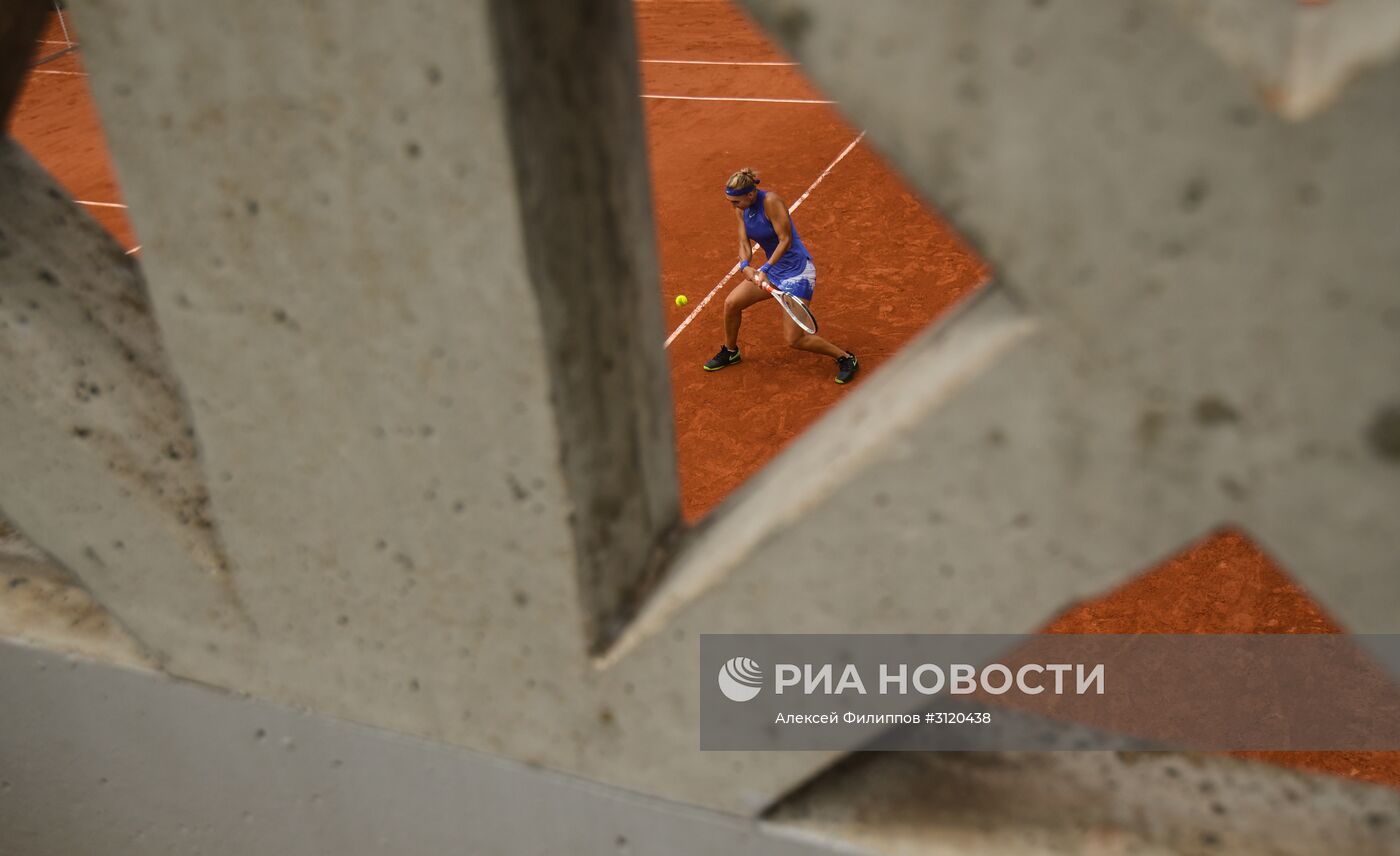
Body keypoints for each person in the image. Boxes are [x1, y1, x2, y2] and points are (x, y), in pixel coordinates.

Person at [703, 168, 859, 384]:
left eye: (735, 201)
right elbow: (743, 241)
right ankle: (731, 352)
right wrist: (745, 265)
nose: (733, 206)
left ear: (750, 195)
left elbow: (785, 240)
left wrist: (764, 270)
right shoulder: (741, 209)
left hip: (798, 273)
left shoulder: (771, 202)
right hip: (774, 271)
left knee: (795, 339)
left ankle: (846, 357)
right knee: (731, 303)